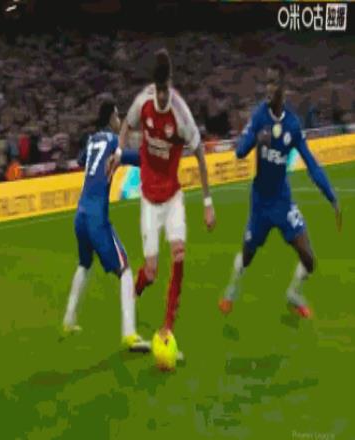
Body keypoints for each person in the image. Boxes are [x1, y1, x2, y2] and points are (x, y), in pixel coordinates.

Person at [107, 49, 216, 348]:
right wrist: (119, 152)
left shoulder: (181, 114)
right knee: (151, 271)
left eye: (166, 88)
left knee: (179, 254)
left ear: (171, 82)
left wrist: (208, 203)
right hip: (149, 199)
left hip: (173, 197)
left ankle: (168, 327)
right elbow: (126, 125)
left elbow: (200, 154)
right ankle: (135, 293)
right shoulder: (143, 101)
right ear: (154, 86)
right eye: (159, 89)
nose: (163, 95)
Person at [219, 64, 342, 318]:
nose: (269, 88)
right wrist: (257, 138)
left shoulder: (293, 125)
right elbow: (240, 152)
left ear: (283, 89)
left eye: (274, 83)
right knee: (247, 255)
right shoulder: (259, 116)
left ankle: (294, 294)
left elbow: (312, 164)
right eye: (267, 82)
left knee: (309, 259)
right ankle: (231, 291)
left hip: (282, 202)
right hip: (260, 204)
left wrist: (331, 196)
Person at [62, 97, 150, 352]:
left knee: (84, 264)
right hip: (96, 217)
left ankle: (68, 320)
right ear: (112, 117)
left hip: (80, 214)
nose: (120, 120)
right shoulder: (113, 140)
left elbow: (81, 161)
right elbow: (135, 158)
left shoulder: (92, 140)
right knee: (125, 270)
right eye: (118, 115)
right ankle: (130, 334)